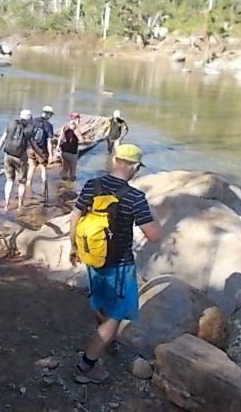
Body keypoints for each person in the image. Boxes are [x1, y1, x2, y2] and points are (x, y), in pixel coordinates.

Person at [69, 144, 161, 384]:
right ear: (135, 167)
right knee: (116, 317)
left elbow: (75, 216)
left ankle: (105, 340)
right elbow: (154, 236)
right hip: (119, 266)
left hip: (92, 257)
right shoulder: (134, 197)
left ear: (114, 161)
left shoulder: (92, 185)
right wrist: (153, 213)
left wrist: (74, 247)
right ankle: (87, 366)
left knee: (100, 302)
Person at [0, 109, 45, 211]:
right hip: (20, 158)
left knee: (9, 181)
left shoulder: (11, 123)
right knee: (22, 182)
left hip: (7, 155)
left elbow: (2, 139)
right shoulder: (30, 129)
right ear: (29, 118)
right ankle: (20, 205)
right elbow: (34, 145)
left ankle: (6, 205)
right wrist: (41, 155)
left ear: (20, 115)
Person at [26, 105, 55, 198]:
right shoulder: (48, 125)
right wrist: (51, 155)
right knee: (43, 168)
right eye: (50, 115)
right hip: (40, 151)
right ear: (49, 114)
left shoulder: (33, 121)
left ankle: (28, 184)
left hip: (30, 148)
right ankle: (44, 187)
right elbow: (49, 141)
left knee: (31, 167)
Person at [56, 111, 84, 181]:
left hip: (64, 151)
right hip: (72, 152)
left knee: (65, 169)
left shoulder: (65, 126)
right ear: (77, 119)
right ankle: (70, 187)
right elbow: (81, 140)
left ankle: (58, 182)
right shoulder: (75, 129)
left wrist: (57, 146)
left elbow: (60, 137)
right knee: (73, 172)